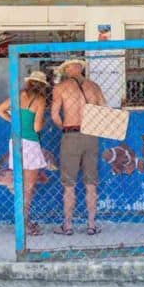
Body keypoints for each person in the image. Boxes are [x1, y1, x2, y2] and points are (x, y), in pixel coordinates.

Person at [50, 58, 106, 236]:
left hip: (71, 135)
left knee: (69, 185)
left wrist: (66, 128)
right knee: (91, 184)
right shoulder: (94, 86)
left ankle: (68, 226)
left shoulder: (61, 88)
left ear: (68, 69)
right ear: (80, 69)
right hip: (91, 135)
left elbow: (54, 116)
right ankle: (91, 225)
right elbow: (104, 110)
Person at [0, 70, 49, 236]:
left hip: (15, 141)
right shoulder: (40, 100)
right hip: (31, 143)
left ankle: (22, 221)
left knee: (20, 185)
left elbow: (0, 110)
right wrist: (43, 121)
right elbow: (37, 128)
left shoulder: (17, 95)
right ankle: (24, 223)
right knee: (29, 186)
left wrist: (14, 121)